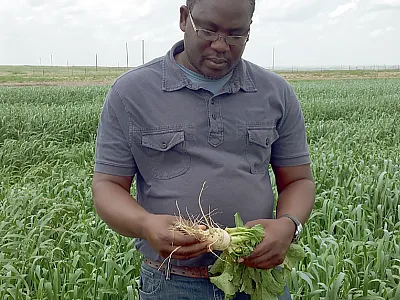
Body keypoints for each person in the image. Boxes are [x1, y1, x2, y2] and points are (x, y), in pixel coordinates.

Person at [92, 0, 315, 299]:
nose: (221, 45)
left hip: (258, 278)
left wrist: (289, 226)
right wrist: (145, 225)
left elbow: (298, 180)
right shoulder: (131, 93)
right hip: (173, 283)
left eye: (236, 35)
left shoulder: (275, 92)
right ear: (185, 19)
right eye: (209, 30)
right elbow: (107, 186)